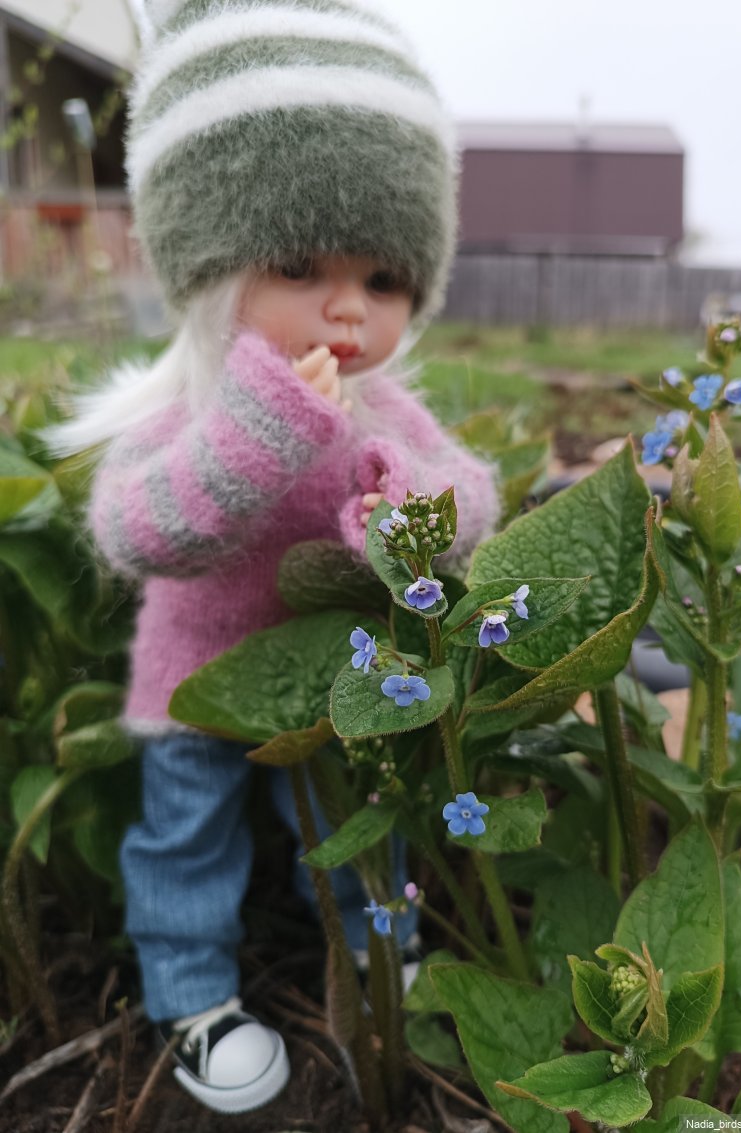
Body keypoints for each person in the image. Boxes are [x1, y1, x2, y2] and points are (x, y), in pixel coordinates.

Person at [47, 0, 500, 1116]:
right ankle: (192, 989)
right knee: (186, 840)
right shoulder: (192, 409)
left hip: (343, 679)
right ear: (210, 266)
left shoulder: (381, 404)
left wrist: (419, 503)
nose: (349, 308)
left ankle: (373, 945)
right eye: (301, 262)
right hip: (196, 684)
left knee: (351, 818)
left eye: (385, 281)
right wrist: (253, 438)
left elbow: (473, 491)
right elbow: (139, 528)